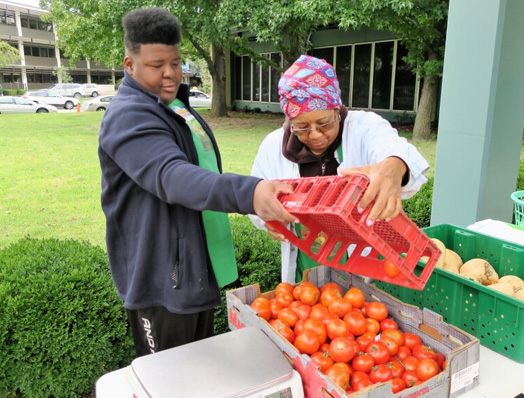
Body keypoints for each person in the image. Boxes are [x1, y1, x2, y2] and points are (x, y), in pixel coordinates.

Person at [98, 7, 297, 357]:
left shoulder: (173, 105)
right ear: (129, 65)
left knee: (200, 372)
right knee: (167, 381)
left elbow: (200, 166)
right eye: (156, 66)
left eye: (175, 63)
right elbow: (172, 176)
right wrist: (250, 192)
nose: (170, 74)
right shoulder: (128, 115)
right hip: (161, 281)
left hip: (193, 268)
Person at [250, 55, 430, 283]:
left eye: (324, 123)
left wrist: (394, 166)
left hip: (361, 256)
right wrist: (265, 217)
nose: (314, 135)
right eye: (302, 127)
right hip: (307, 254)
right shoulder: (273, 146)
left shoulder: (364, 127)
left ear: (337, 109)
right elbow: (255, 193)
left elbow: (394, 148)